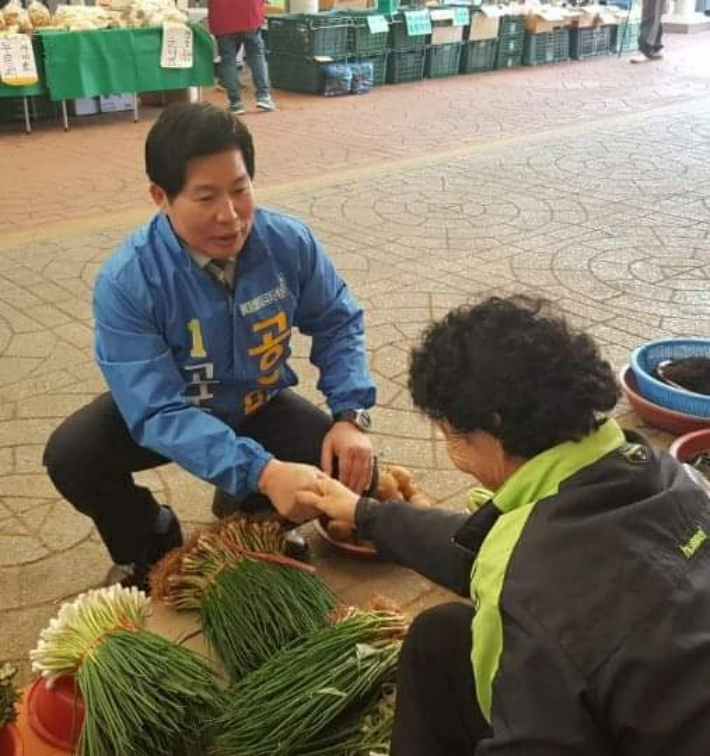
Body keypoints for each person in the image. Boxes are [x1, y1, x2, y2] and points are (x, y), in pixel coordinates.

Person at [298, 295, 710, 756]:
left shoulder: (525, 581)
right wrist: (364, 514)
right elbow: (493, 549)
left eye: (450, 435)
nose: (452, 454)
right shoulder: (670, 477)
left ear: (492, 427)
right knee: (443, 636)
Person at [43, 102, 376, 591]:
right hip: (171, 409)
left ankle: (249, 517)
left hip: (255, 400)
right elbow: (156, 410)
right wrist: (263, 471)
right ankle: (150, 538)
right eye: (205, 198)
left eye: (240, 190)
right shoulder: (128, 281)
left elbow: (338, 321)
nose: (230, 217)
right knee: (73, 456)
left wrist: (350, 416)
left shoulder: (288, 243)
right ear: (161, 196)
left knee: (351, 467)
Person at [208, 0, 275, 115]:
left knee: (228, 60)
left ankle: (236, 103)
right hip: (250, 12)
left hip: (223, 16)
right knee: (256, 56)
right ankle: (264, 96)